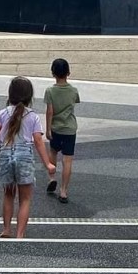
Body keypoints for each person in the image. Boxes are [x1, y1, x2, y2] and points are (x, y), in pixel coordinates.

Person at [0, 76, 55, 238]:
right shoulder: (33, 117)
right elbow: (38, 141)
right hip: (24, 157)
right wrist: (47, 163)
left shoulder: (2, 114)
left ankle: (6, 230)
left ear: (10, 95)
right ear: (30, 97)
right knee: (25, 198)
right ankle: (20, 234)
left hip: (5, 155)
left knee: (8, 194)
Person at [44, 57, 80, 204]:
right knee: (67, 159)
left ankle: (52, 178)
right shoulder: (74, 91)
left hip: (56, 128)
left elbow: (49, 112)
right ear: (69, 73)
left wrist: (47, 129)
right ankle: (64, 191)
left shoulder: (50, 91)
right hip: (70, 129)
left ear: (52, 73)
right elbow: (75, 102)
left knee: (53, 152)